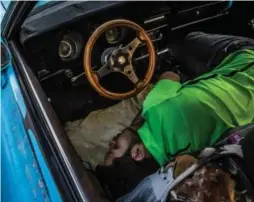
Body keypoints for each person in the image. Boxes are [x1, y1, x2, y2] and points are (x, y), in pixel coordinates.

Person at [96, 32, 254, 199]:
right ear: (137, 153)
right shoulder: (154, 109)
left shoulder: (193, 162)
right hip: (248, 59)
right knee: (189, 40)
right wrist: (134, 127)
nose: (112, 141)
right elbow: (170, 76)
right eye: (115, 148)